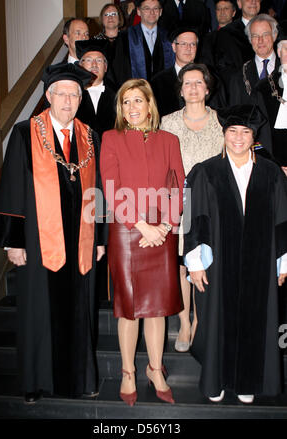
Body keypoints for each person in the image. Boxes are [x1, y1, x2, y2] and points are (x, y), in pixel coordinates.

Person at [0, 63, 107, 403]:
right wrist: (13, 240)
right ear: (48, 96)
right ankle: (34, 382)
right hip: (40, 241)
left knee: (80, 311)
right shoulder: (27, 132)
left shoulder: (89, 136)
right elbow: (11, 186)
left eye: (74, 94)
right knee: (38, 312)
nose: (68, 101)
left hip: (81, 238)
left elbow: (97, 190)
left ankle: (81, 379)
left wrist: (99, 239)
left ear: (81, 98)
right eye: (62, 94)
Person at [183, 104, 287, 404]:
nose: (238, 138)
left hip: (260, 263)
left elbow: (282, 219)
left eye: (245, 132)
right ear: (224, 134)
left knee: (256, 321)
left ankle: (246, 381)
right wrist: (195, 263)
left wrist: (283, 263)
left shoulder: (271, 173)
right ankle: (216, 380)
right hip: (218, 263)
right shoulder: (205, 171)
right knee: (216, 321)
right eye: (232, 131)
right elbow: (193, 219)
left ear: (253, 135)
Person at [100, 78, 185, 406]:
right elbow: (110, 188)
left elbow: (177, 185)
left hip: (161, 230)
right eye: (126, 102)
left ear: (150, 105)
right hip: (126, 229)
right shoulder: (110, 138)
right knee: (129, 309)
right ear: (120, 109)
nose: (132, 108)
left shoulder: (169, 140)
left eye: (138, 101)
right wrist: (140, 226)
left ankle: (154, 369)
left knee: (157, 308)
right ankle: (127, 372)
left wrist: (163, 225)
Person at [160, 63, 223, 353]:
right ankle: (184, 322)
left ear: (207, 89)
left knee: (204, 260)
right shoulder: (167, 122)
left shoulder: (222, 122)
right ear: (181, 89)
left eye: (199, 83)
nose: (194, 88)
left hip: (212, 205)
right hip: (178, 204)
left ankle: (200, 319)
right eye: (188, 83)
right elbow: (161, 166)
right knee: (182, 262)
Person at [111, 0, 175, 89]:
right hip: (134, 93)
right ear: (138, 11)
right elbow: (119, 70)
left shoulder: (169, 37)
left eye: (155, 8)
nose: (152, 12)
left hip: (163, 94)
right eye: (147, 8)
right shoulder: (124, 37)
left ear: (160, 12)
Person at [227, 14, 279, 106]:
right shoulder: (238, 77)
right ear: (250, 40)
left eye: (265, 34)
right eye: (255, 36)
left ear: (274, 36)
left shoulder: (284, 69)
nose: (260, 40)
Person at [256, 20, 287, 169]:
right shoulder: (264, 88)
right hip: (273, 166)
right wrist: (273, 166)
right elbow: (258, 135)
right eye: (286, 49)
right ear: (279, 52)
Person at [151, 27, 199, 117]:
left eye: (192, 44)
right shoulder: (158, 82)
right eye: (183, 44)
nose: (188, 48)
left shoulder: (206, 78)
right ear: (174, 47)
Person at [214, 0, 261, 90]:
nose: (253, 2)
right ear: (239, 4)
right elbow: (224, 70)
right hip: (240, 92)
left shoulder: (272, 28)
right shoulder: (226, 34)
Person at [75, 40, 116, 139]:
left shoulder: (118, 94)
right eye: (89, 60)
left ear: (105, 67)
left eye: (99, 60)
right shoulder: (73, 95)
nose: (94, 65)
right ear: (80, 66)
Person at [200, 0, 236, 68]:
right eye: (219, 9)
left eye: (226, 8)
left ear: (233, 13)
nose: (222, 12)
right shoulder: (207, 39)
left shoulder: (241, 36)